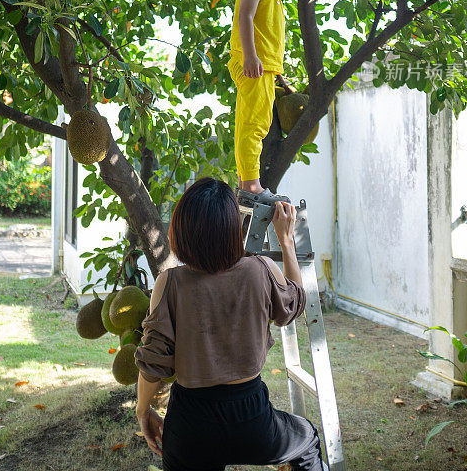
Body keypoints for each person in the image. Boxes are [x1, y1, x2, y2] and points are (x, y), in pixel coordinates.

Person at [134, 176, 325, 471]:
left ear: (180, 231)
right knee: (308, 438)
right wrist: (286, 241)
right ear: (232, 229)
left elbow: (153, 364)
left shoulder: (168, 283)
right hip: (252, 419)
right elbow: (294, 305)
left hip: (189, 424)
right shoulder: (260, 269)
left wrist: (142, 410)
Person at [226, 0, 309, 206]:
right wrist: (250, 55)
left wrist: (279, 78)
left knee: (255, 121)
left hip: (263, 69)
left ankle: (245, 181)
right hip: (253, 64)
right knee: (254, 124)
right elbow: (244, 17)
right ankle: (250, 183)